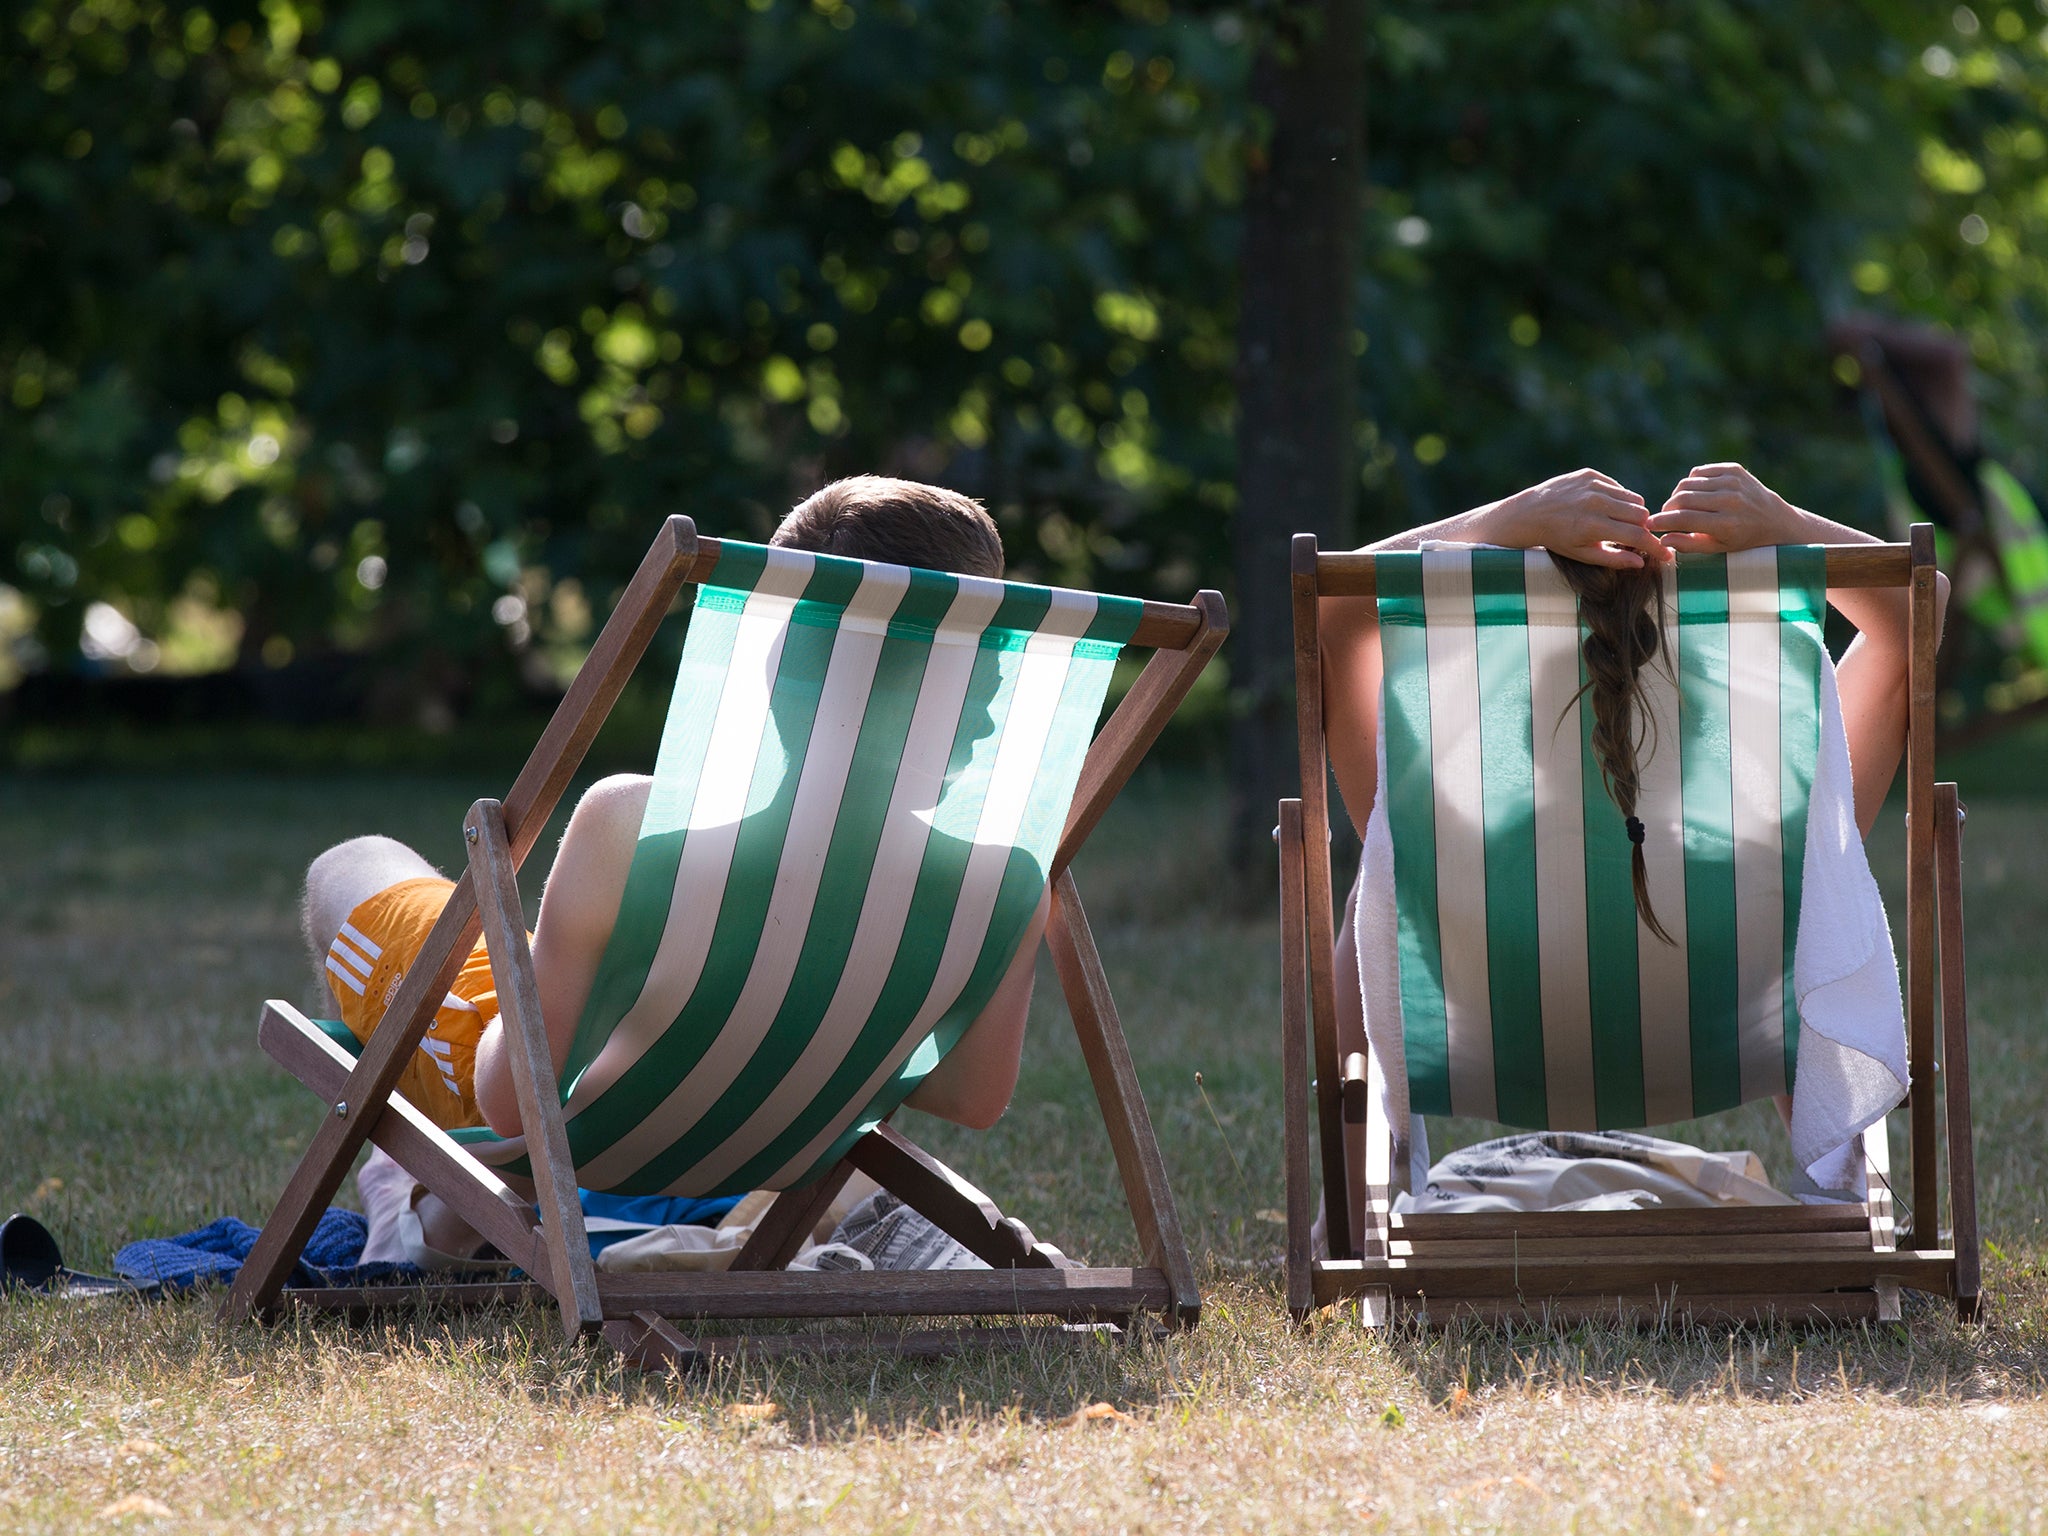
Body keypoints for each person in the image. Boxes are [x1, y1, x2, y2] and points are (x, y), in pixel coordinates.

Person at [303, 478, 1048, 1255]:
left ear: (775, 666)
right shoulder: (1006, 884)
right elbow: (972, 1095)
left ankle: (410, 1213)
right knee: (578, 994)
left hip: (589, 1125)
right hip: (776, 1134)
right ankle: (453, 1208)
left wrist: (554, 989)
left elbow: (511, 1107)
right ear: (986, 680)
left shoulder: (632, 827)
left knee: (350, 866)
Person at [1316, 463, 1949, 1233]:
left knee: (1379, 879)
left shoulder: (1457, 860)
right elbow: (1921, 613)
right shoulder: (1773, 853)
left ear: (1517, 729)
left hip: (1495, 1040)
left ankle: (1352, 1217)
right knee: (1820, 884)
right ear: (1715, 736)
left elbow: (1332, 607)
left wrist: (1506, 518)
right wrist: (1788, 525)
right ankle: (1850, 1187)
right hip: (1720, 1035)